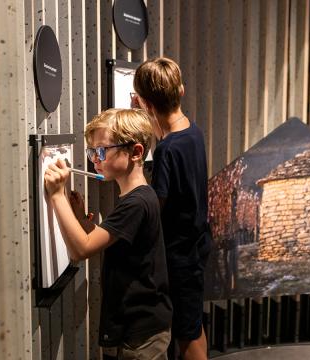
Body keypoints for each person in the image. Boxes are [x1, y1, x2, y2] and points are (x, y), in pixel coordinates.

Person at [44, 108, 172, 359]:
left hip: (143, 333)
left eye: (101, 151)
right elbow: (112, 240)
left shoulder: (136, 203)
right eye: (92, 152)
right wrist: (81, 220)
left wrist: (57, 195)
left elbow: (82, 250)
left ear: (135, 152)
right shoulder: (137, 196)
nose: (95, 159)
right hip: (141, 327)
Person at [132, 57, 211, 360]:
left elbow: (157, 204)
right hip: (197, 245)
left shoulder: (167, 149)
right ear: (181, 91)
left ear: (147, 104)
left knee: (185, 335)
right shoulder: (194, 132)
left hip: (179, 256)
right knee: (193, 324)